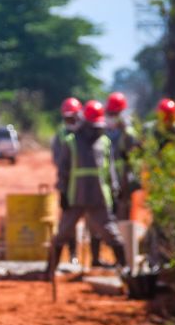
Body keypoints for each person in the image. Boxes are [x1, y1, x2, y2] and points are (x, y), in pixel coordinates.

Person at [51, 100, 126, 274]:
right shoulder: (71, 141)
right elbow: (63, 170)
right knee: (63, 233)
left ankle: (126, 270)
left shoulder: (104, 142)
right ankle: (50, 271)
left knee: (110, 233)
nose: (95, 130)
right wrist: (62, 193)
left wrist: (114, 193)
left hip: (99, 198)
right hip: (75, 197)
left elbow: (110, 172)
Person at [51, 97, 85, 265]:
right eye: (67, 118)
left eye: (73, 117)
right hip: (69, 183)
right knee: (68, 220)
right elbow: (58, 160)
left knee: (95, 221)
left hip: (87, 184)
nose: (70, 121)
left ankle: (95, 257)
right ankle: (72, 254)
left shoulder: (87, 132)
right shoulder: (61, 135)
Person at [105, 91, 140, 221]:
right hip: (106, 174)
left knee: (123, 206)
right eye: (110, 113)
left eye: (115, 113)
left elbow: (134, 152)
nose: (112, 117)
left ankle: (122, 227)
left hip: (124, 175)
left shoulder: (128, 132)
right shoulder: (103, 128)